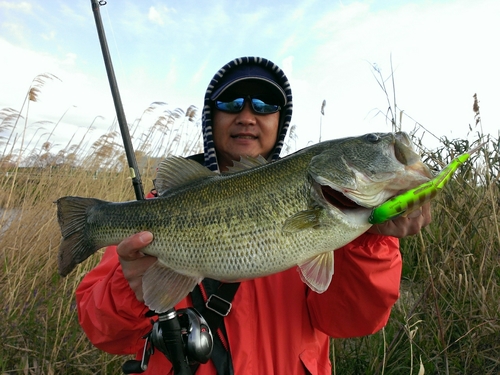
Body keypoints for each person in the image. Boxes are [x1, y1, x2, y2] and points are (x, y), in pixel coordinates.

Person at [76, 56, 431, 375]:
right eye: (230, 103)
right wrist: (130, 285)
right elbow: (101, 330)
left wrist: (373, 241)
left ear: (280, 120)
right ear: (210, 117)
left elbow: (351, 321)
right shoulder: (159, 207)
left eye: (264, 105)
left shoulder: (350, 227)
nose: (247, 116)